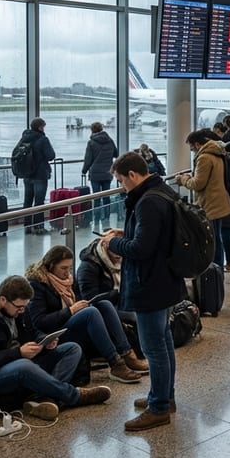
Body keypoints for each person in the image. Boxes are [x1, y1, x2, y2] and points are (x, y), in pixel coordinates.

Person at [102, 151, 185, 432]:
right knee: (163, 339)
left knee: (153, 347)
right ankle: (164, 396)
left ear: (133, 175)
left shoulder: (147, 202)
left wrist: (113, 244)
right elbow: (152, 236)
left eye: (121, 181)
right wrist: (125, 233)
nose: (121, 186)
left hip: (150, 283)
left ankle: (159, 406)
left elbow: (142, 249)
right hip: (166, 278)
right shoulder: (162, 191)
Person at [0, 275, 111, 421]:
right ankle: (74, 396)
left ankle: (46, 398)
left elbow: (32, 332)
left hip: (22, 361)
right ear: (3, 300)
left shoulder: (18, 309)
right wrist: (18, 353)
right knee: (24, 366)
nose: (21, 311)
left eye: (24, 307)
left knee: (72, 349)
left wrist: (43, 340)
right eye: (19, 308)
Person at [24, 244, 148, 383]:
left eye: (70, 268)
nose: (67, 273)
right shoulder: (37, 285)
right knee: (91, 313)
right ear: (51, 266)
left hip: (67, 323)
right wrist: (71, 310)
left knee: (104, 305)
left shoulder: (67, 281)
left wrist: (79, 306)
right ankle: (115, 363)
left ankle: (127, 354)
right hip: (54, 334)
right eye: (63, 268)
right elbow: (39, 321)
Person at [174, 129, 230, 271]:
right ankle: (217, 270)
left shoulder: (204, 158)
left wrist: (183, 179)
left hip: (209, 204)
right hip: (219, 202)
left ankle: (213, 270)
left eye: (192, 148)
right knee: (216, 238)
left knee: (211, 240)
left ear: (197, 144)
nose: (192, 151)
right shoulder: (217, 153)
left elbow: (197, 184)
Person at [76, 235, 142, 354]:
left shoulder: (123, 259)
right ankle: (136, 349)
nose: (119, 254)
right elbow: (90, 298)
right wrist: (119, 294)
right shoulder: (88, 266)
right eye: (116, 248)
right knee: (137, 314)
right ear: (105, 245)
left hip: (121, 301)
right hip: (106, 306)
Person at [17, 117, 57, 234]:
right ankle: (39, 226)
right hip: (40, 174)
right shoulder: (43, 139)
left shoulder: (24, 138)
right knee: (39, 202)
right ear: (40, 127)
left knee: (27, 201)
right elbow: (51, 155)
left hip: (27, 174)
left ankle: (27, 226)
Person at [81, 121, 118, 231]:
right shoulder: (109, 140)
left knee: (96, 197)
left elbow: (88, 159)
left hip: (95, 173)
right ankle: (106, 218)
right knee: (106, 196)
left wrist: (84, 170)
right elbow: (116, 154)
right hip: (107, 172)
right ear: (102, 129)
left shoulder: (91, 143)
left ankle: (96, 218)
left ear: (92, 130)